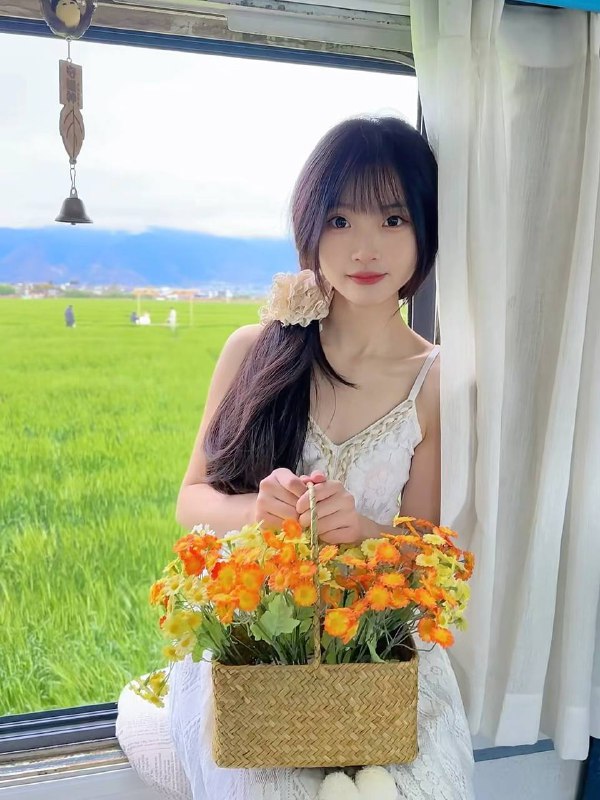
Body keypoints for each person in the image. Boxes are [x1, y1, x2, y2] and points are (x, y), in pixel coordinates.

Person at [116, 116, 474, 800]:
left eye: (392, 218)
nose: (364, 247)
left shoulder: (436, 381)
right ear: (310, 227)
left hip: (377, 648)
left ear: (425, 229)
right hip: (252, 649)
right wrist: (259, 512)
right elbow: (192, 499)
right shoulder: (256, 350)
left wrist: (363, 531)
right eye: (340, 220)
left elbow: (423, 551)